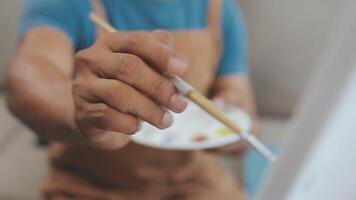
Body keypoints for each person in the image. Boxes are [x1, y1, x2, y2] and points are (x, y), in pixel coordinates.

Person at [6, 0, 258, 199]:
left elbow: (244, 114)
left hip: (197, 185)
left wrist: (230, 124)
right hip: (91, 186)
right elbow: (29, 76)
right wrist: (84, 112)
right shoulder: (70, 4)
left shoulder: (220, 9)